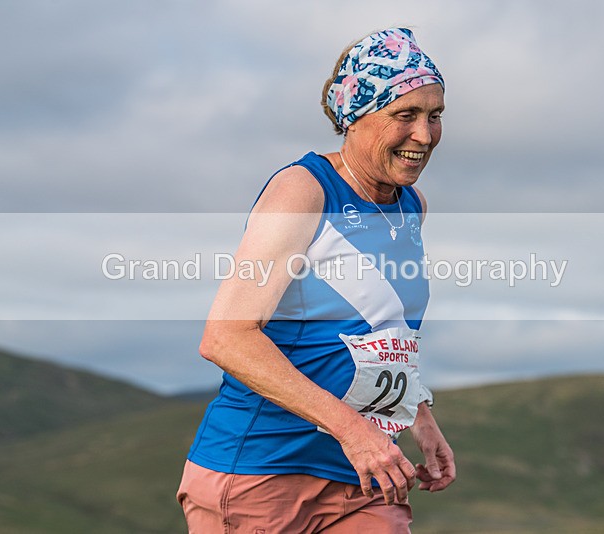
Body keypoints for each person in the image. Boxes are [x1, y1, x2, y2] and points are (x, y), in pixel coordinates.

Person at [177, 27, 455, 533]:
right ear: (356, 117)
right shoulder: (303, 191)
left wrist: (419, 414)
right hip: (260, 473)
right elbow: (226, 337)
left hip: (363, 480)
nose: (425, 134)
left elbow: (387, 327)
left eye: (434, 116)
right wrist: (355, 432)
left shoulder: (411, 205)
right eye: (405, 115)